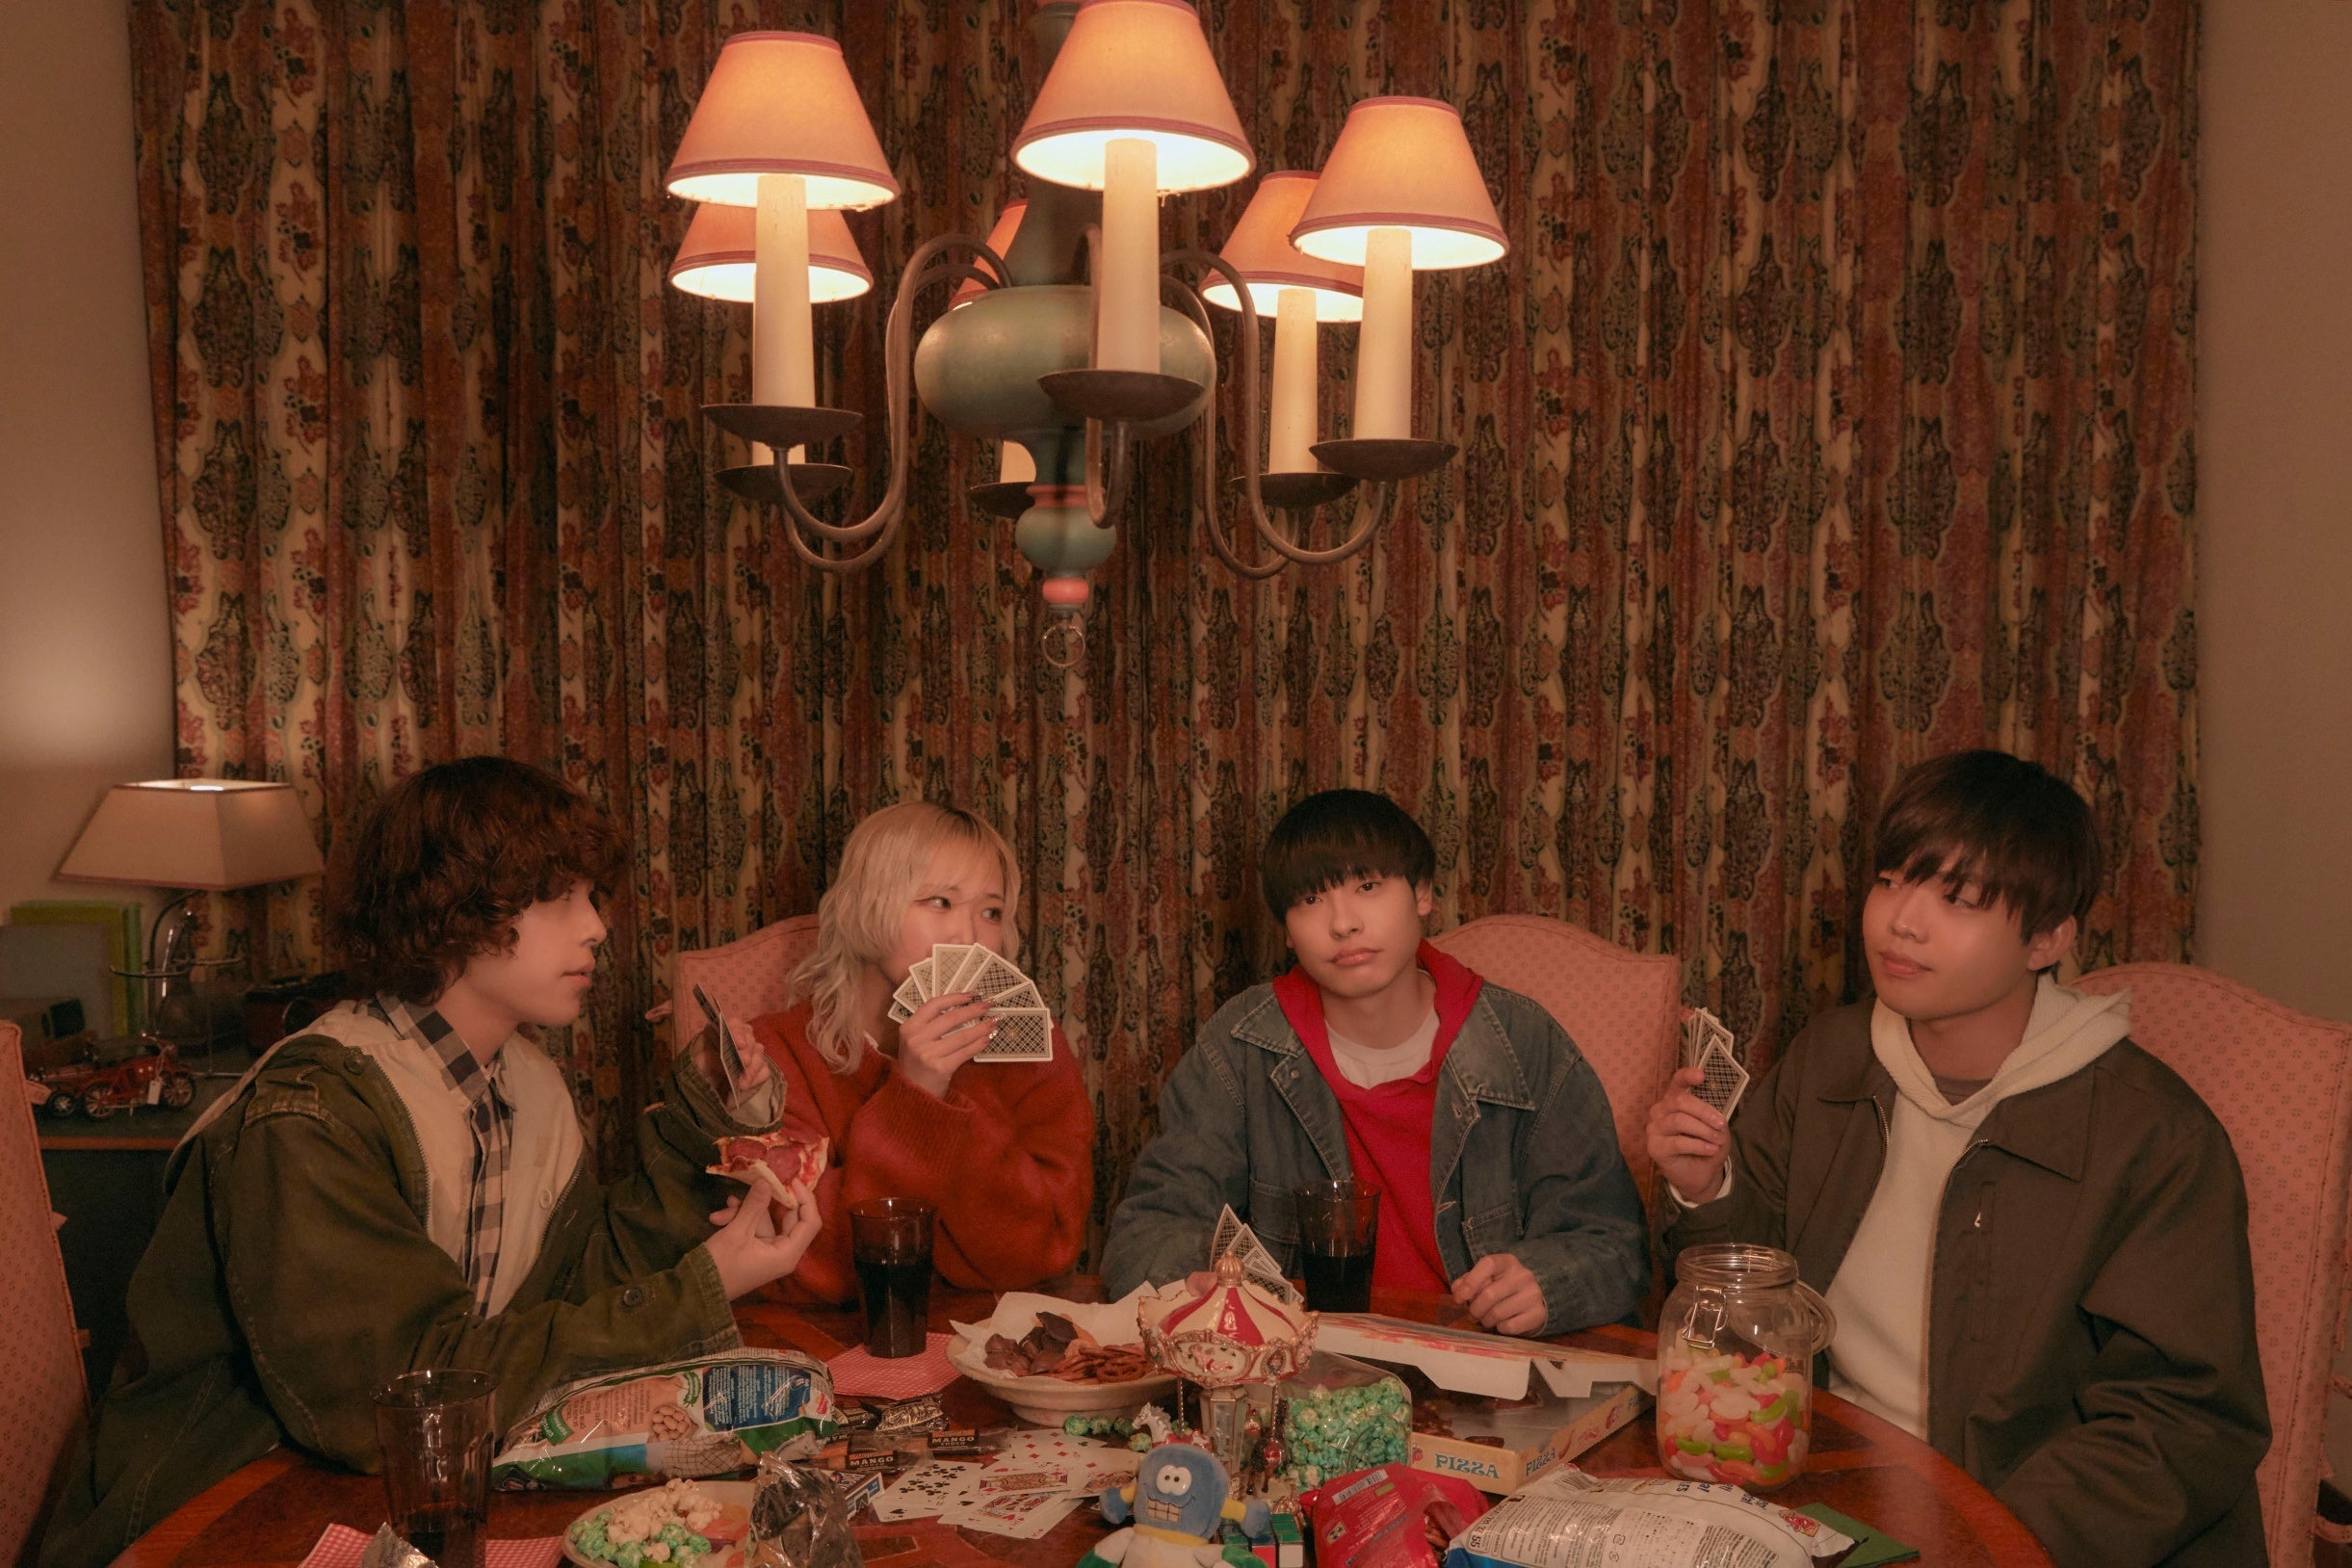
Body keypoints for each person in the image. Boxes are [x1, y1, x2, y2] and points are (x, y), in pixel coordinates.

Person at [41, 759, 820, 1568]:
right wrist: (701, 1289)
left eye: (593, 898)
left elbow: (573, 1293)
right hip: (217, 1509)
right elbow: (394, 1400)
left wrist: (700, 1124)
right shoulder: (310, 1113)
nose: (596, 927)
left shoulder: (528, 1083)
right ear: (454, 908)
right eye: (560, 897)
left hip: (406, 1498)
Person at [1648, 750, 2267, 1568]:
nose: (1902, 922)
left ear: (2047, 938)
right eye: (1891, 881)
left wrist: (1978, 1541)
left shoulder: (2154, 1135)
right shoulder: (1832, 1056)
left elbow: (2184, 1420)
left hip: (2020, 1531)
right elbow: (1749, 1312)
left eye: (1958, 899)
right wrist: (1706, 1188)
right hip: (1826, 1483)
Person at [1101, 789, 1647, 1335]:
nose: (1343, 923)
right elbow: (1150, 1226)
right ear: (1287, 931)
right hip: (1309, 1365)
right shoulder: (1242, 1044)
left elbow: (1615, 1243)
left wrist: (1548, 1283)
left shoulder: (1524, 1042)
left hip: (1484, 1362)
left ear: (1423, 893)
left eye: (1367, 886)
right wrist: (1185, 1284)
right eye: (1311, 899)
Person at [747, 800, 1092, 1302]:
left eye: (991, 912)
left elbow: (1041, 1253)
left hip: (994, 1336)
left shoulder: (1032, 1049)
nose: (968, 937)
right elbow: (807, 1265)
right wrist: (914, 1101)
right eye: (940, 902)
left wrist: (948, 1095)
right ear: (868, 905)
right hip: (826, 1341)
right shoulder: (774, 1054)